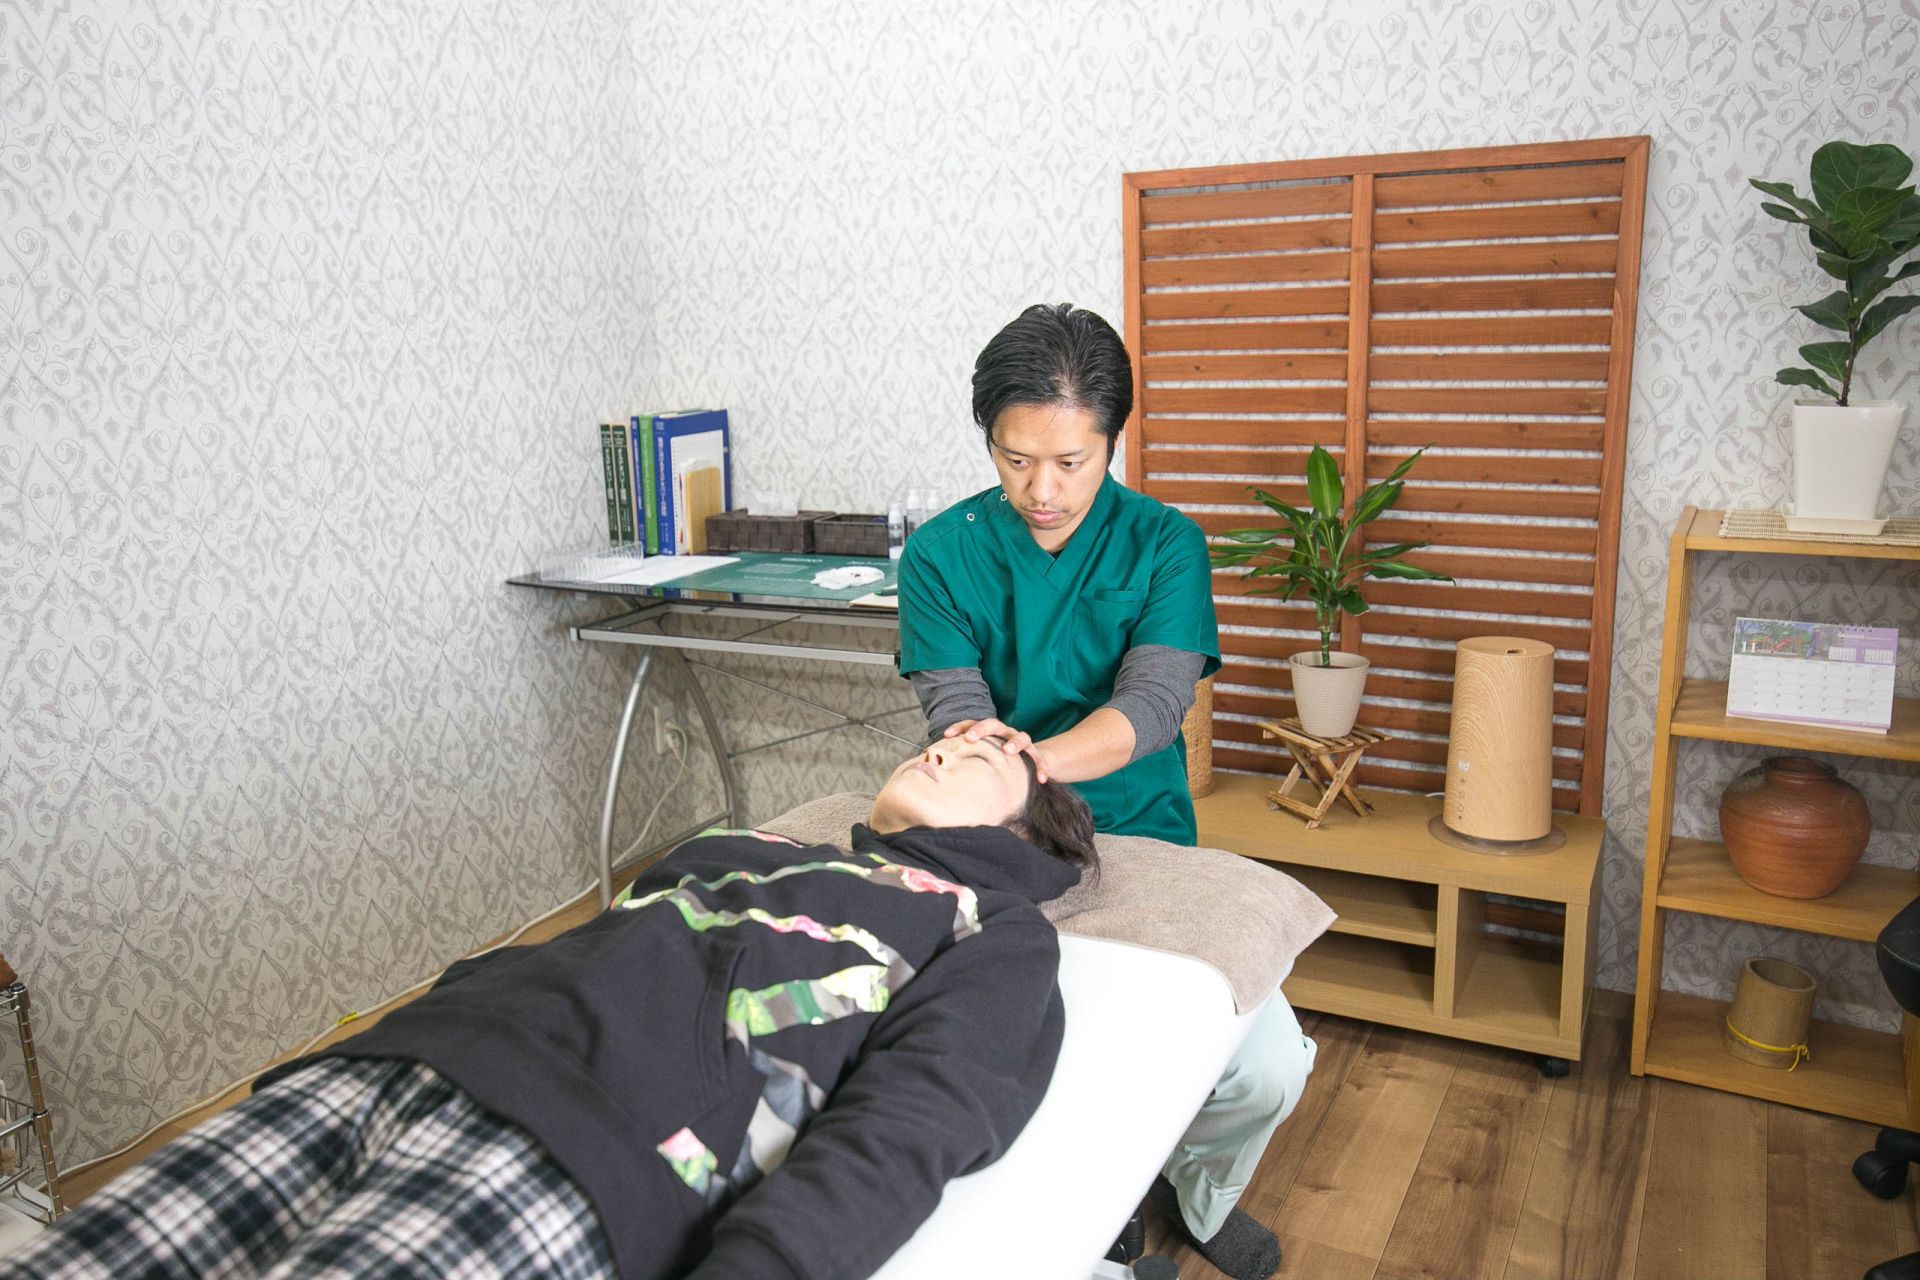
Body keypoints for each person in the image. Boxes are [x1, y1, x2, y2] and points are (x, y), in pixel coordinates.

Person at [0, 739, 1095, 1280]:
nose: (946, 740)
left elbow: (909, 1122)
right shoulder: (742, 843)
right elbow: (578, 952)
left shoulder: (987, 930)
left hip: (578, 1148)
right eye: (947, 733)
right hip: (395, 1064)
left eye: (989, 750)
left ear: (1026, 831)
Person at [896, 302, 1315, 1280]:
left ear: (1113, 442)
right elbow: (957, 714)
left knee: (1268, 1070)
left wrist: (1026, 760)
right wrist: (993, 772)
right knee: (1051, 1057)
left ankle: (1200, 1192)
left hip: (1146, 836)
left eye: (1070, 462)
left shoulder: (1165, 543)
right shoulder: (941, 554)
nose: (1041, 490)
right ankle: (1101, 1208)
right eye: (1015, 459)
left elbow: (1154, 705)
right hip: (1001, 849)